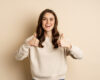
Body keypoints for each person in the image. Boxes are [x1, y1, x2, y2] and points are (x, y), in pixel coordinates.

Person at [15, 9, 83, 80]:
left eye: (51, 19)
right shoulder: (32, 40)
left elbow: (80, 56)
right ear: (40, 22)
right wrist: (27, 44)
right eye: (44, 19)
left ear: (55, 22)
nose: (48, 22)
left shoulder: (62, 40)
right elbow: (18, 57)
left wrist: (69, 46)